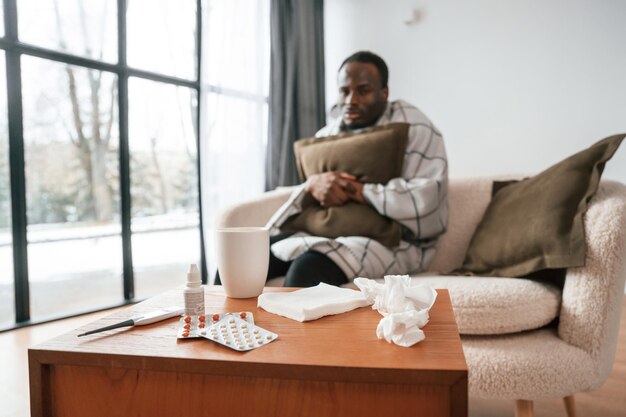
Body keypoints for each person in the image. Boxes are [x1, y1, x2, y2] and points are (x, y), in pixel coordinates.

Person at [218, 50, 448, 287]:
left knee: (308, 268)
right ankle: (222, 325)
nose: (351, 101)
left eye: (363, 90)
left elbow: (425, 199)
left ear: (385, 93)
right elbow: (311, 194)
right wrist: (312, 186)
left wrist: (354, 189)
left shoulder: (416, 128)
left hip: (395, 244)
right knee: (241, 259)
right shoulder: (328, 135)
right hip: (327, 231)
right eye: (344, 91)